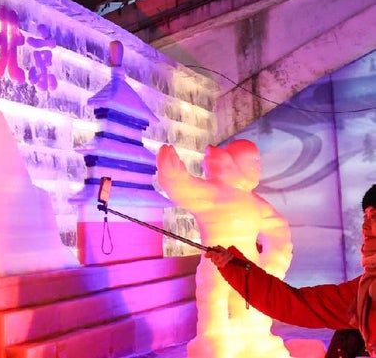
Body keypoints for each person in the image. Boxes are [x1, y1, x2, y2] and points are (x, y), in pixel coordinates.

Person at [157, 140, 293, 358]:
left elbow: (278, 229)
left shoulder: (255, 202)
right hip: (216, 266)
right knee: (214, 303)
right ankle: (213, 343)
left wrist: (273, 263)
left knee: (252, 307)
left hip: (249, 267)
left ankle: (256, 339)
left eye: (258, 161)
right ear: (233, 163)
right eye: (252, 160)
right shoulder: (212, 192)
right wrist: (172, 175)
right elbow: (186, 188)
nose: (258, 166)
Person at [207, 184, 376, 358]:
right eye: (365, 217)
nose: (364, 227)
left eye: (374, 217)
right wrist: (234, 265)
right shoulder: (364, 293)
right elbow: (296, 305)